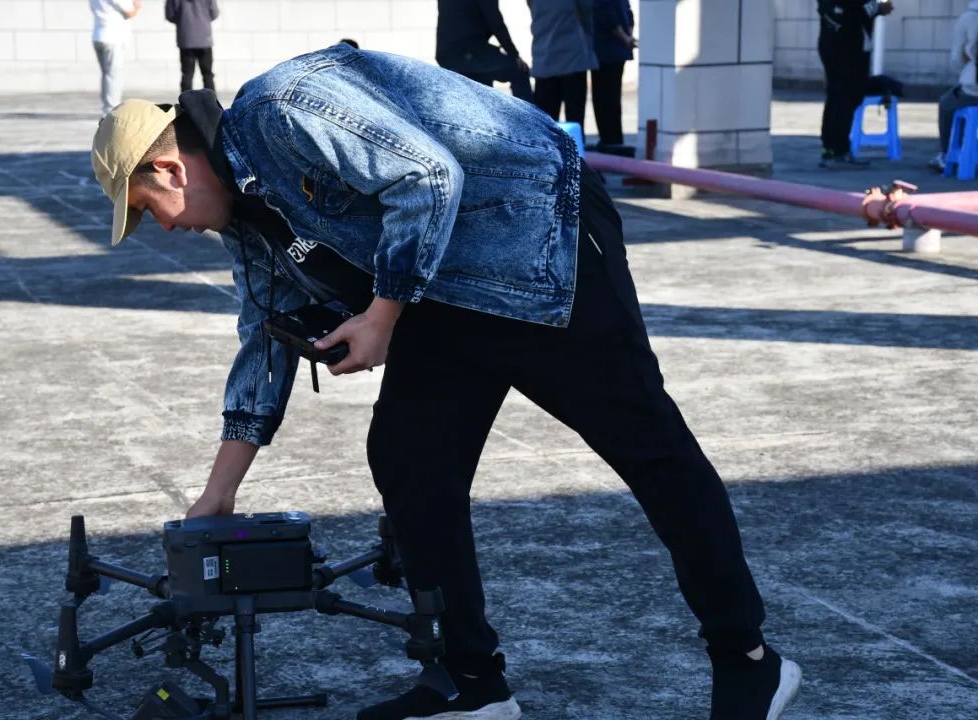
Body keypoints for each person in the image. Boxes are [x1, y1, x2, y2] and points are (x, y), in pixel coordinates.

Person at [90, 44, 802, 720]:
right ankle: (472, 682)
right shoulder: (246, 218)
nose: (164, 229)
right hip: (446, 284)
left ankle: (748, 658)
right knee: (410, 460)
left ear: (170, 169)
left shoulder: (284, 108)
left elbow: (427, 176)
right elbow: (263, 336)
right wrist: (221, 493)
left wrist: (379, 318)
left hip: (542, 241)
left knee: (651, 451)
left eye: (148, 211)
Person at [816, 0, 894, 168]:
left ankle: (834, 149)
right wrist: (877, 7)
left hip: (843, 43)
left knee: (842, 96)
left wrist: (876, 8)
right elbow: (848, 14)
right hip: (845, 46)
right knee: (844, 97)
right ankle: (835, 149)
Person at [435, 0, 532, 102]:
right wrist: (514, 54)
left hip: (449, 53)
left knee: (483, 83)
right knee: (518, 69)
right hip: (467, 51)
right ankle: (527, 112)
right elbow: (495, 21)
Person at [528, 0, 598, 127]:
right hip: (572, 57)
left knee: (545, 122)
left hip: (544, 58)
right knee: (574, 118)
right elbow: (586, 12)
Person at [930, 0, 978, 171]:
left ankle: (949, 153)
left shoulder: (969, 18)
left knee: (948, 103)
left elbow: (956, 59)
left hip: (973, 89)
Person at [591, 0, 636, 151]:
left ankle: (609, 140)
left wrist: (625, 38)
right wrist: (628, 37)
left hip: (604, 51)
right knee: (613, 97)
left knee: (603, 98)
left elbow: (608, 18)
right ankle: (615, 138)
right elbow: (629, 15)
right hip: (618, 50)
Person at [89, 0, 142, 116]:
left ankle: (106, 108)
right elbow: (129, 13)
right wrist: (137, 5)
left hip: (98, 36)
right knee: (113, 76)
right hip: (113, 39)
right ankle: (111, 111)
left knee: (107, 75)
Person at [165, 0, 219, 93]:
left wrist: (183, 20)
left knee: (187, 74)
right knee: (208, 75)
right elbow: (214, 12)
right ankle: (211, 101)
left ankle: (185, 101)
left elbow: (170, 15)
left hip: (186, 38)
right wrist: (203, 19)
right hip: (204, 38)